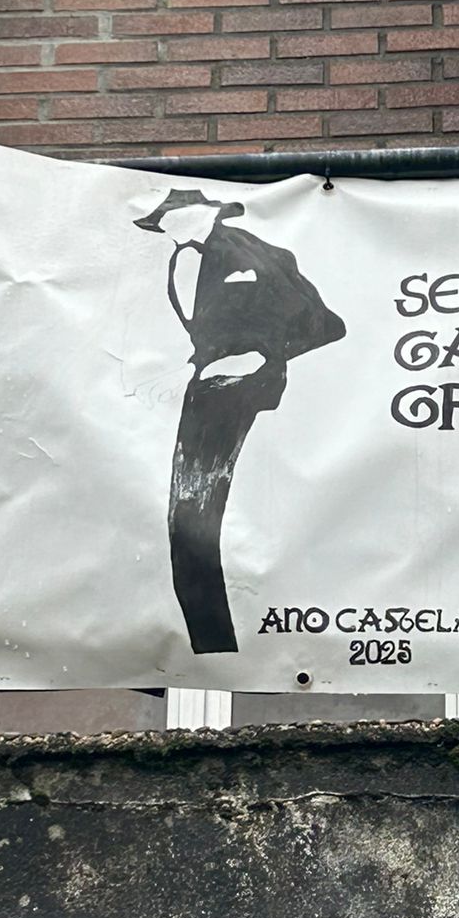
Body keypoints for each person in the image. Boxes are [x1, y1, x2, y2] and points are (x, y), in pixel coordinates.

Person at [134, 190, 346, 655]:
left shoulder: (256, 256)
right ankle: (211, 645)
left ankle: (214, 646)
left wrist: (260, 358)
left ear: (205, 214)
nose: (164, 227)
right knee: (185, 516)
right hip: (196, 389)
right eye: (161, 220)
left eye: (170, 217)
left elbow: (324, 324)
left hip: (234, 388)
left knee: (195, 514)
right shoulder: (177, 261)